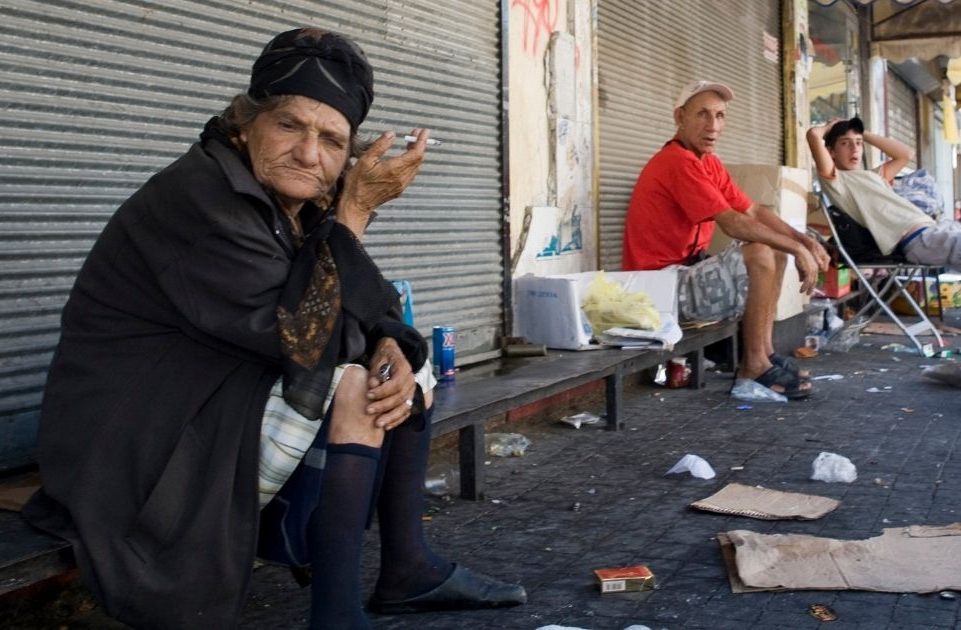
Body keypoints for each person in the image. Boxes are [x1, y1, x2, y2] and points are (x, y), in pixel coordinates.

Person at [22, 28, 524, 629]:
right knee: (353, 388)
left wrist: (389, 339)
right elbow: (303, 339)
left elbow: (364, 297)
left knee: (403, 370)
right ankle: (336, 615)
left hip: (204, 392)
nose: (309, 154)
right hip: (133, 439)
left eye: (332, 141)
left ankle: (406, 569)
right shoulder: (201, 198)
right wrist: (355, 211)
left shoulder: (289, 200)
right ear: (245, 123)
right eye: (290, 125)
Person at [622, 81, 830, 399]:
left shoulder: (709, 163)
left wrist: (803, 241)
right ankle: (753, 368)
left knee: (775, 252)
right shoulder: (677, 162)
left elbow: (752, 210)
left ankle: (765, 353)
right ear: (679, 117)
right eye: (702, 115)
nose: (713, 126)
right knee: (761, 251)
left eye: (719, 116)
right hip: (657, 290)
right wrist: (797, 248)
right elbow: (732, 223)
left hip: (684, 275)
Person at [807, 117, 961, 351]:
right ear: (830, 151)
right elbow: (812, 135)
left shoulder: (873, 177)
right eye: (845, 143)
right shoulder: (838, 183)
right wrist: (830, 127)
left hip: (937, 229)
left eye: (858, 143)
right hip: (918, 240)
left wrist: (862, 132)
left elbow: (905, 154)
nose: (854, 149)